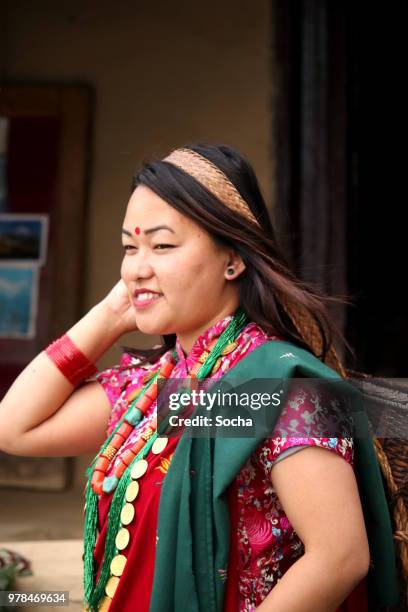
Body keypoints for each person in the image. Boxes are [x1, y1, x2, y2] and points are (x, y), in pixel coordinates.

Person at [0, 144, 399, 612]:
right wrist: (108, 316)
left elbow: (339, 558)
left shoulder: (279, 386)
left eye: (162, 245)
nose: (137, 268)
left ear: (233, 259)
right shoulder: (155, 387)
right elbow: (15, 427)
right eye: (129, 247)